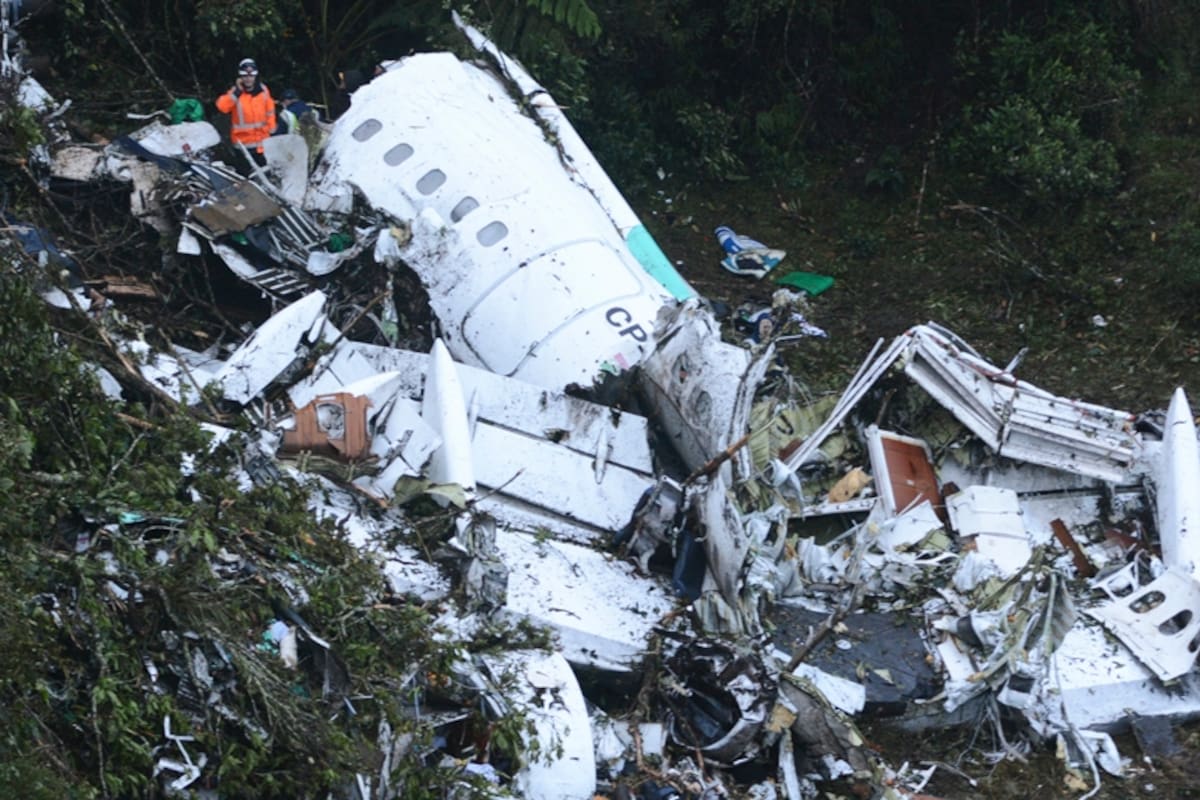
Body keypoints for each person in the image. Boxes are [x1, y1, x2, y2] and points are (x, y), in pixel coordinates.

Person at [215, 58, 276, 167]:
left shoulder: (263, 91)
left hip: (263, 144)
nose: (248, 79)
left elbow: (270, 112)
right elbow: (222, 107)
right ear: (240, 77)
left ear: (255, 76)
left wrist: (272, 131)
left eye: (251, 76)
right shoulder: (235, 93)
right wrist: (236, 93)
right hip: (243, 146)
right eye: (245, 76)